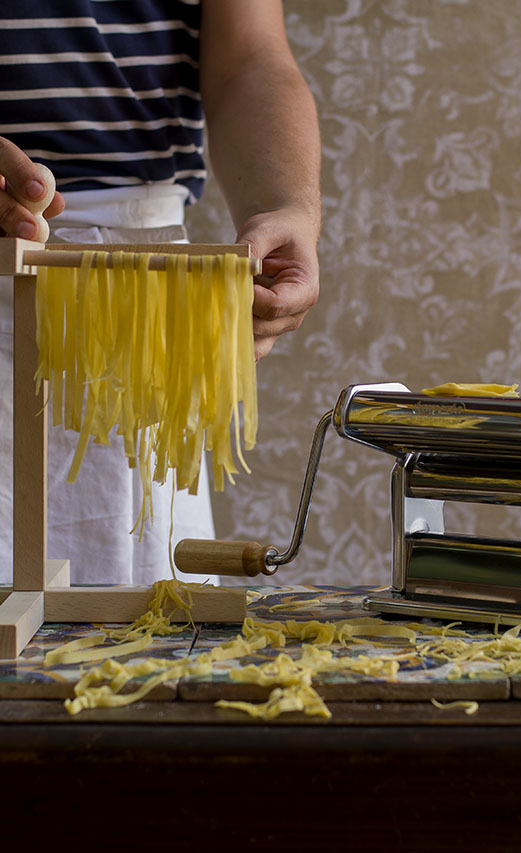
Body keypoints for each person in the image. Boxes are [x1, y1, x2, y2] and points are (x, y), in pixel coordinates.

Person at [0, 1, 321, 585]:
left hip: (144, 290)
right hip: (22, 248)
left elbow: (248, 58)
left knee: (140, 626)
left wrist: (286, 208)